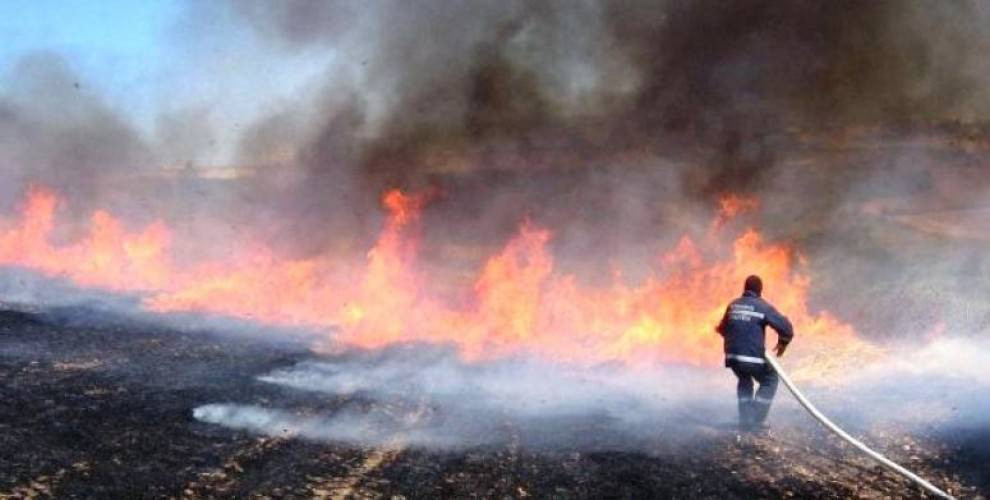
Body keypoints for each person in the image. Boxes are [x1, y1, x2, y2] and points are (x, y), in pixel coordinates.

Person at [715, 275, 794, 433]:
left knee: (744, 378)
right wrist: (783, 343)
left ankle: (745, 421)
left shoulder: (733, 305)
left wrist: (737, 339)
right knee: (770, 378)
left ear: (745, 288)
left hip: (732, 356)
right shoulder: (762, 306)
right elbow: (786, 328)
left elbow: (721, 329)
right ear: (760, 291)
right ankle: (755, 420)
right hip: (751, 356)